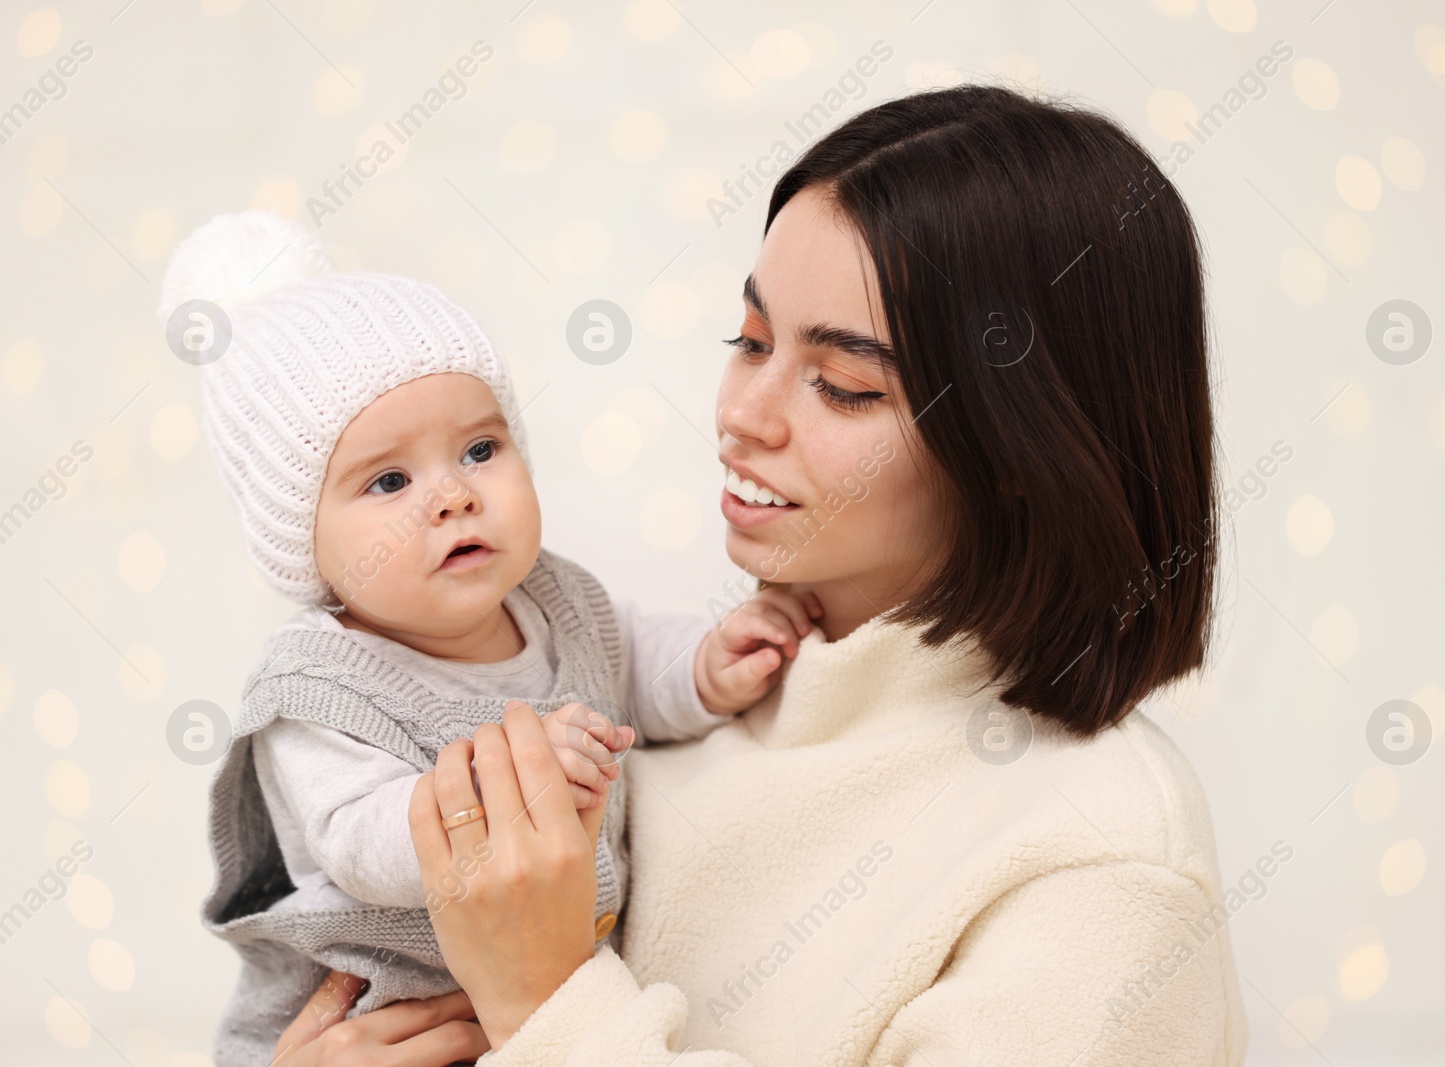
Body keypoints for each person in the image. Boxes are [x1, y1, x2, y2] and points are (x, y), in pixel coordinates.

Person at [273, 83, 1248, 1065]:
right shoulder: (664, 719)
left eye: (845, 384)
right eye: (748, 340)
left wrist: (550, 1004)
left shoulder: (1102, 860)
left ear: (1020, 447)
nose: (745, 412)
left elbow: (552, 1014)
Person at [159, 212, 819, 1066]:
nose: (452, 496)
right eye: (389, 479)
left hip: (544, 1011)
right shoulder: (319, 687)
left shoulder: (555, 598)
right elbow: (359, 842)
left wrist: (703, 665)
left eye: (478, 448)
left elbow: (630, 655)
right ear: (302, 540)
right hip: (385, 1007)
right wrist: (513, 772)